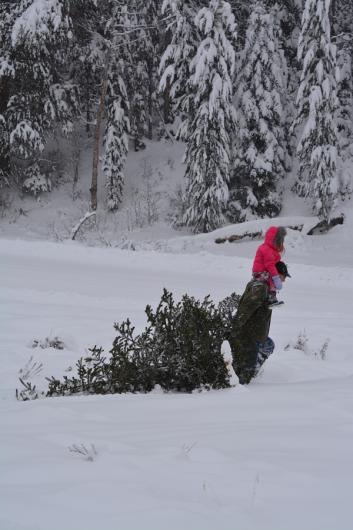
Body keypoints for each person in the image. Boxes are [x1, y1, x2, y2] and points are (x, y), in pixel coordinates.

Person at [229, 260, 291, 385]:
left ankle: (251, 371)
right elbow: (246, 308)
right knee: (246, 370)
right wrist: (235, 329)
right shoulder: (261, 288)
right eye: (282, 277)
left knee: (269, 345)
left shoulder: (267, 288)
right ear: (275, 274)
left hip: (256, 332)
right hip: (250, 334)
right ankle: (240, 385)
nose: (283, 281)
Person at [252, 226, 287, 305]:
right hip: (259, 273)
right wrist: (276, 278)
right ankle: (271, 298)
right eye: (279, 241)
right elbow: (270, 265)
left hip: (263, 272)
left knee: (271, 278)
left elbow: (275, 264)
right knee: (271, 279)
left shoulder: (271, 250)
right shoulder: (266, 249)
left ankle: (271, 297)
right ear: (274, 240)